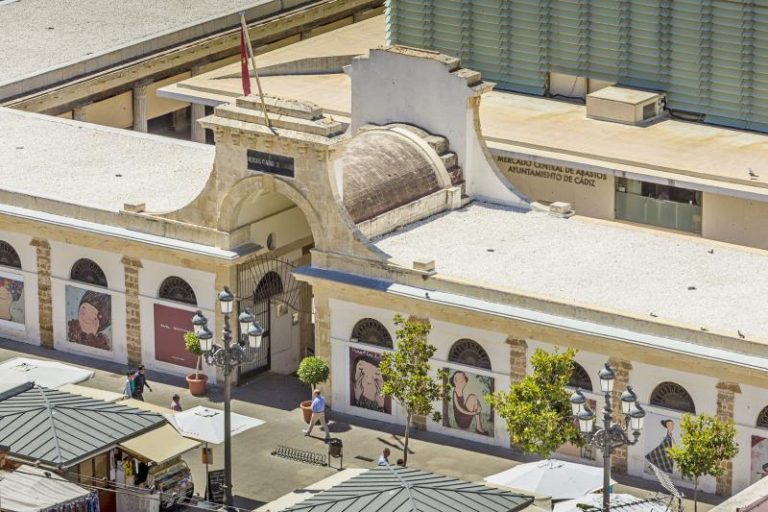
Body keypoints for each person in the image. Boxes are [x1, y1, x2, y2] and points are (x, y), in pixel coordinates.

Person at [450, 371, 488, 435]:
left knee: (473, 397)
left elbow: (464, 405)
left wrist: (478, 407)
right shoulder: (455, 392)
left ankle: (479, 427)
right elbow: (459, 408)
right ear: (455, 381)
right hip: (461, 421)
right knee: (472, 397)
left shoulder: (460, 390)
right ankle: (478, 427)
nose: (463, 382)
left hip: (465, 417)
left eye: (463, 380)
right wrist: (471, 413)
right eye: (460, 380)